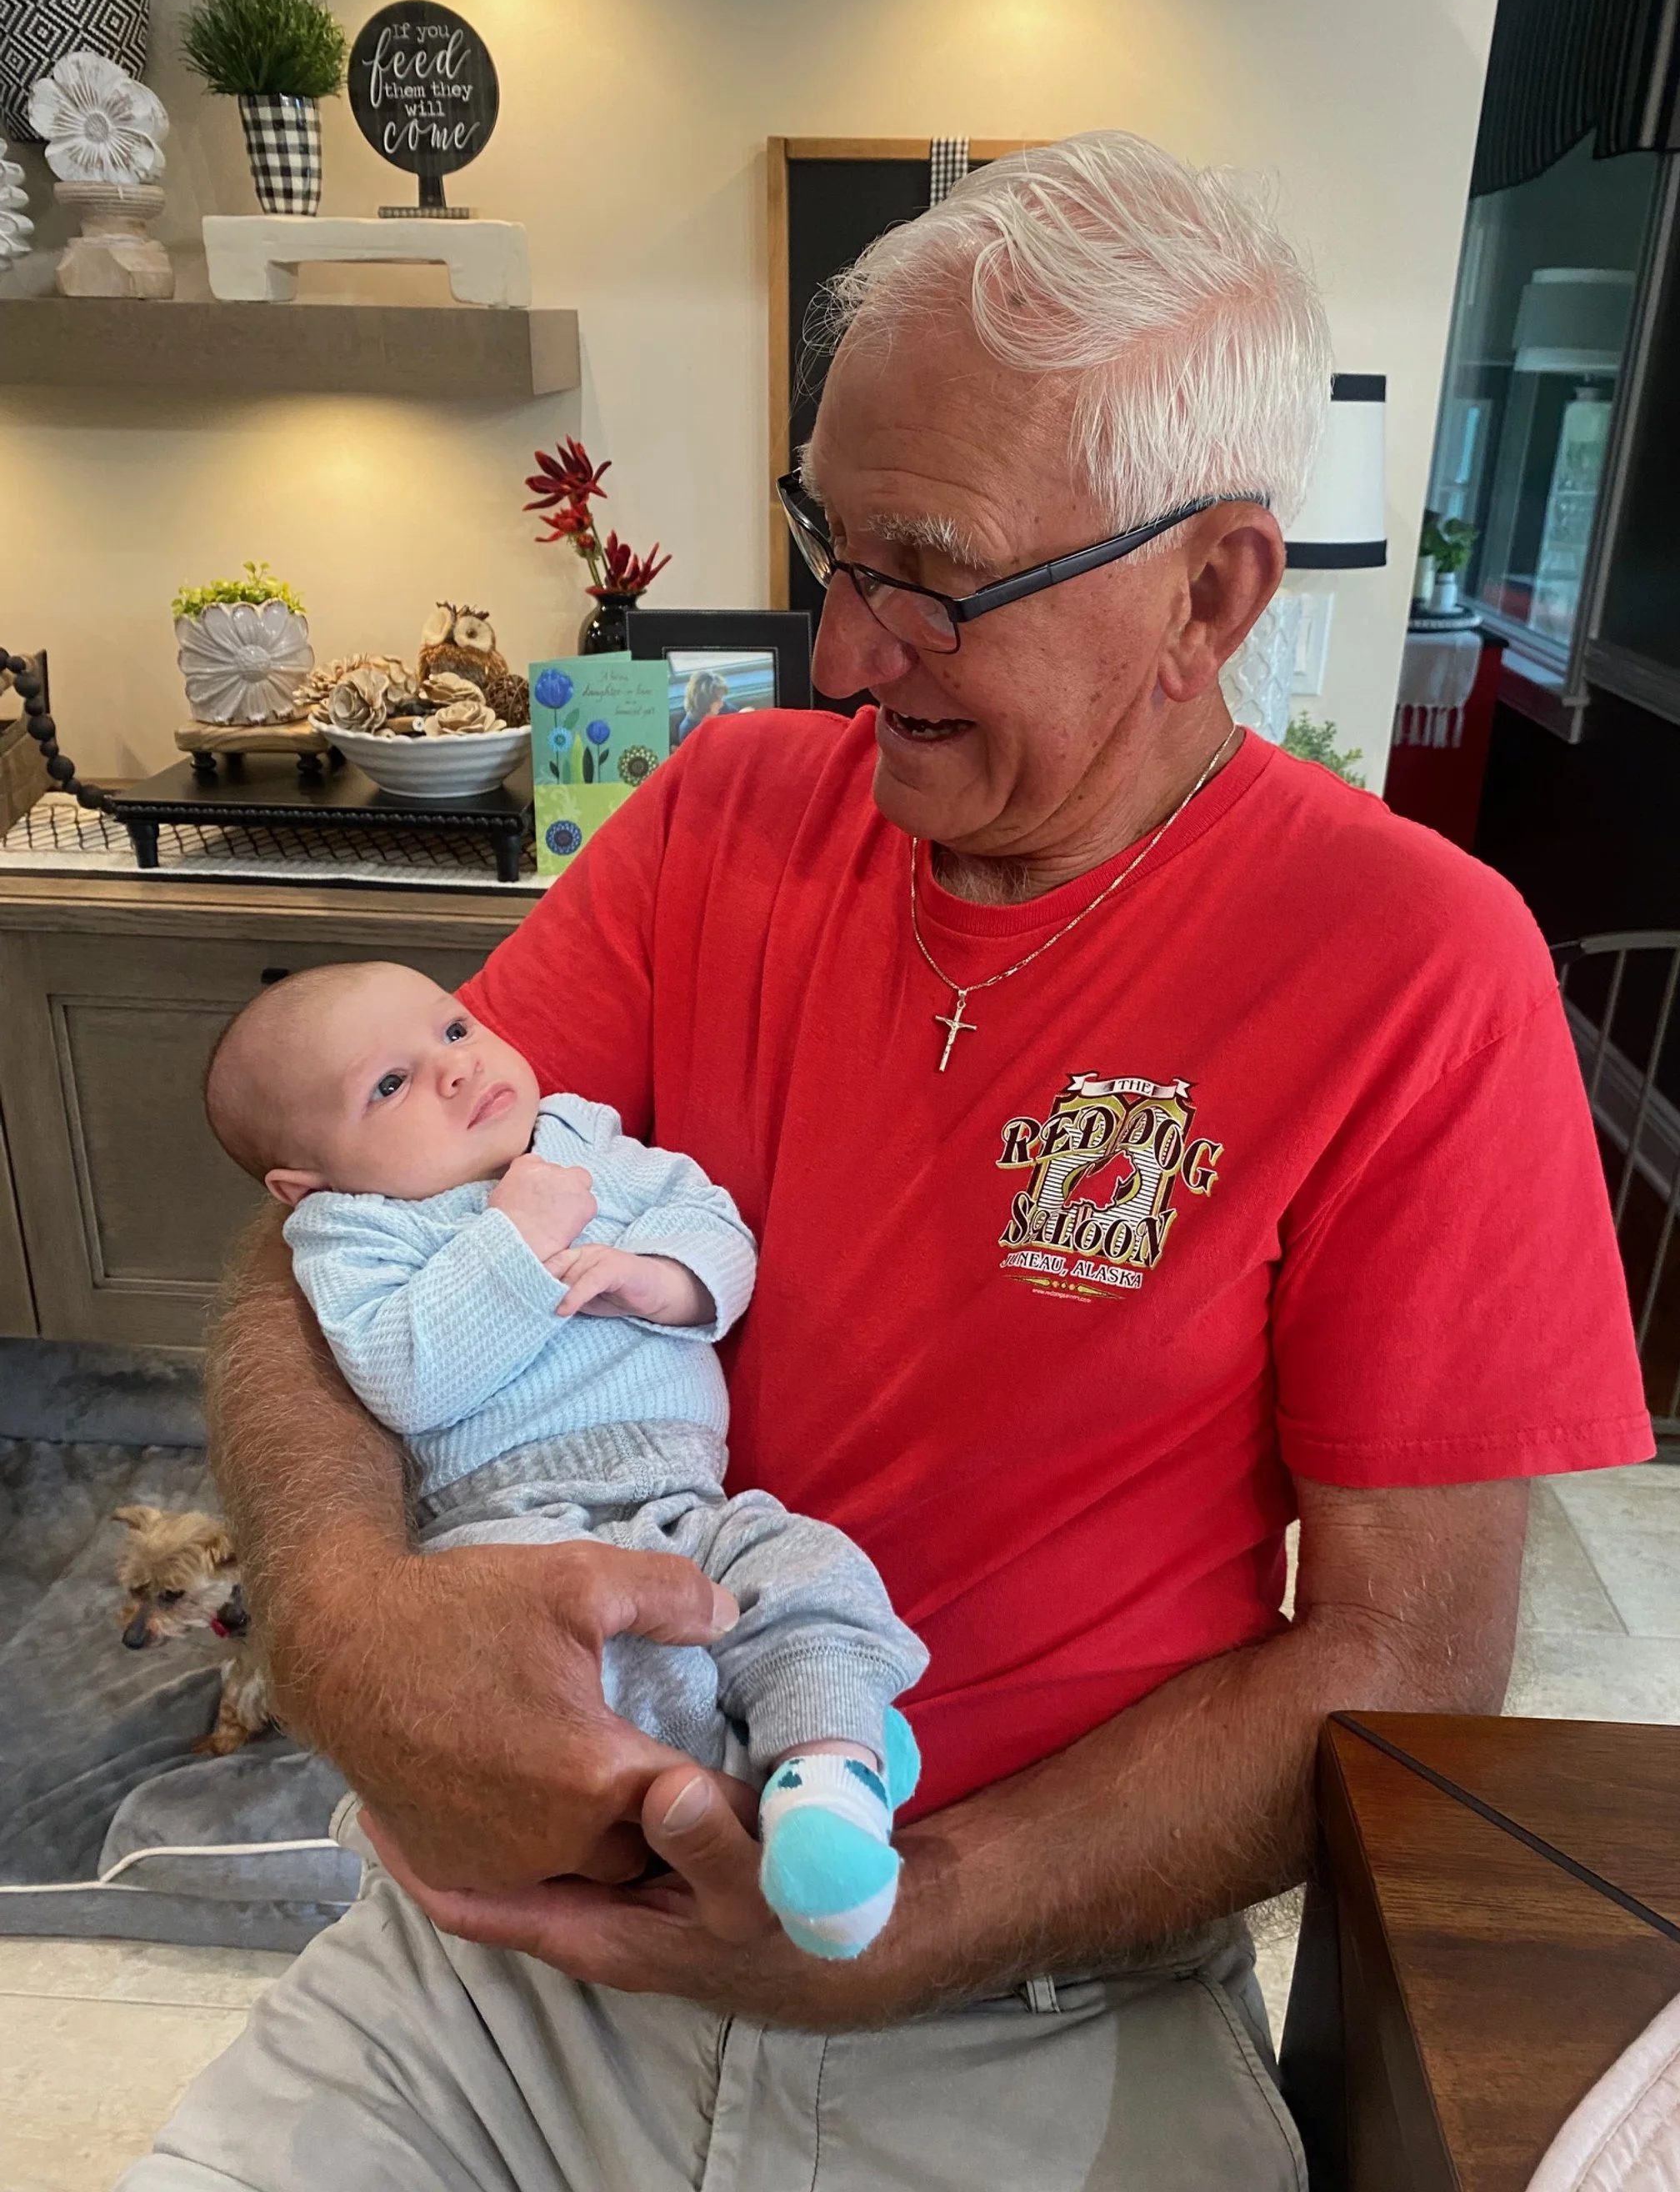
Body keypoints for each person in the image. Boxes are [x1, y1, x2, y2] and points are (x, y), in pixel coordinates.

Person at [124, 131, 1649, 2192]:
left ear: (1208, 594)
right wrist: (339, 1615)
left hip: (1035, 2007)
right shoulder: (721, 812)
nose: (842, 656)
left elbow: (1407, 1658)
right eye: (830, 545)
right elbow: (332, 1220)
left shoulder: (1415, 964)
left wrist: (928, 1918)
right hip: (512, 1981)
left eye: (933, 579)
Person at [200, 959, 928, 1959]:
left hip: (684, 1493)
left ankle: (826, 1768)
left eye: (454, 1030)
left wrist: (663, 1278)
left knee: (808, 1566)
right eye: (390, 1085)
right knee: (566, 1675)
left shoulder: (579, 1136)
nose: (456, 1069)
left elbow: (711, 1221)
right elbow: (410, 1377)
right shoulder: (353, 1231)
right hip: (507, 1524)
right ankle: (779, 1761)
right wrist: (516, 1237)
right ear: (307, 1182)